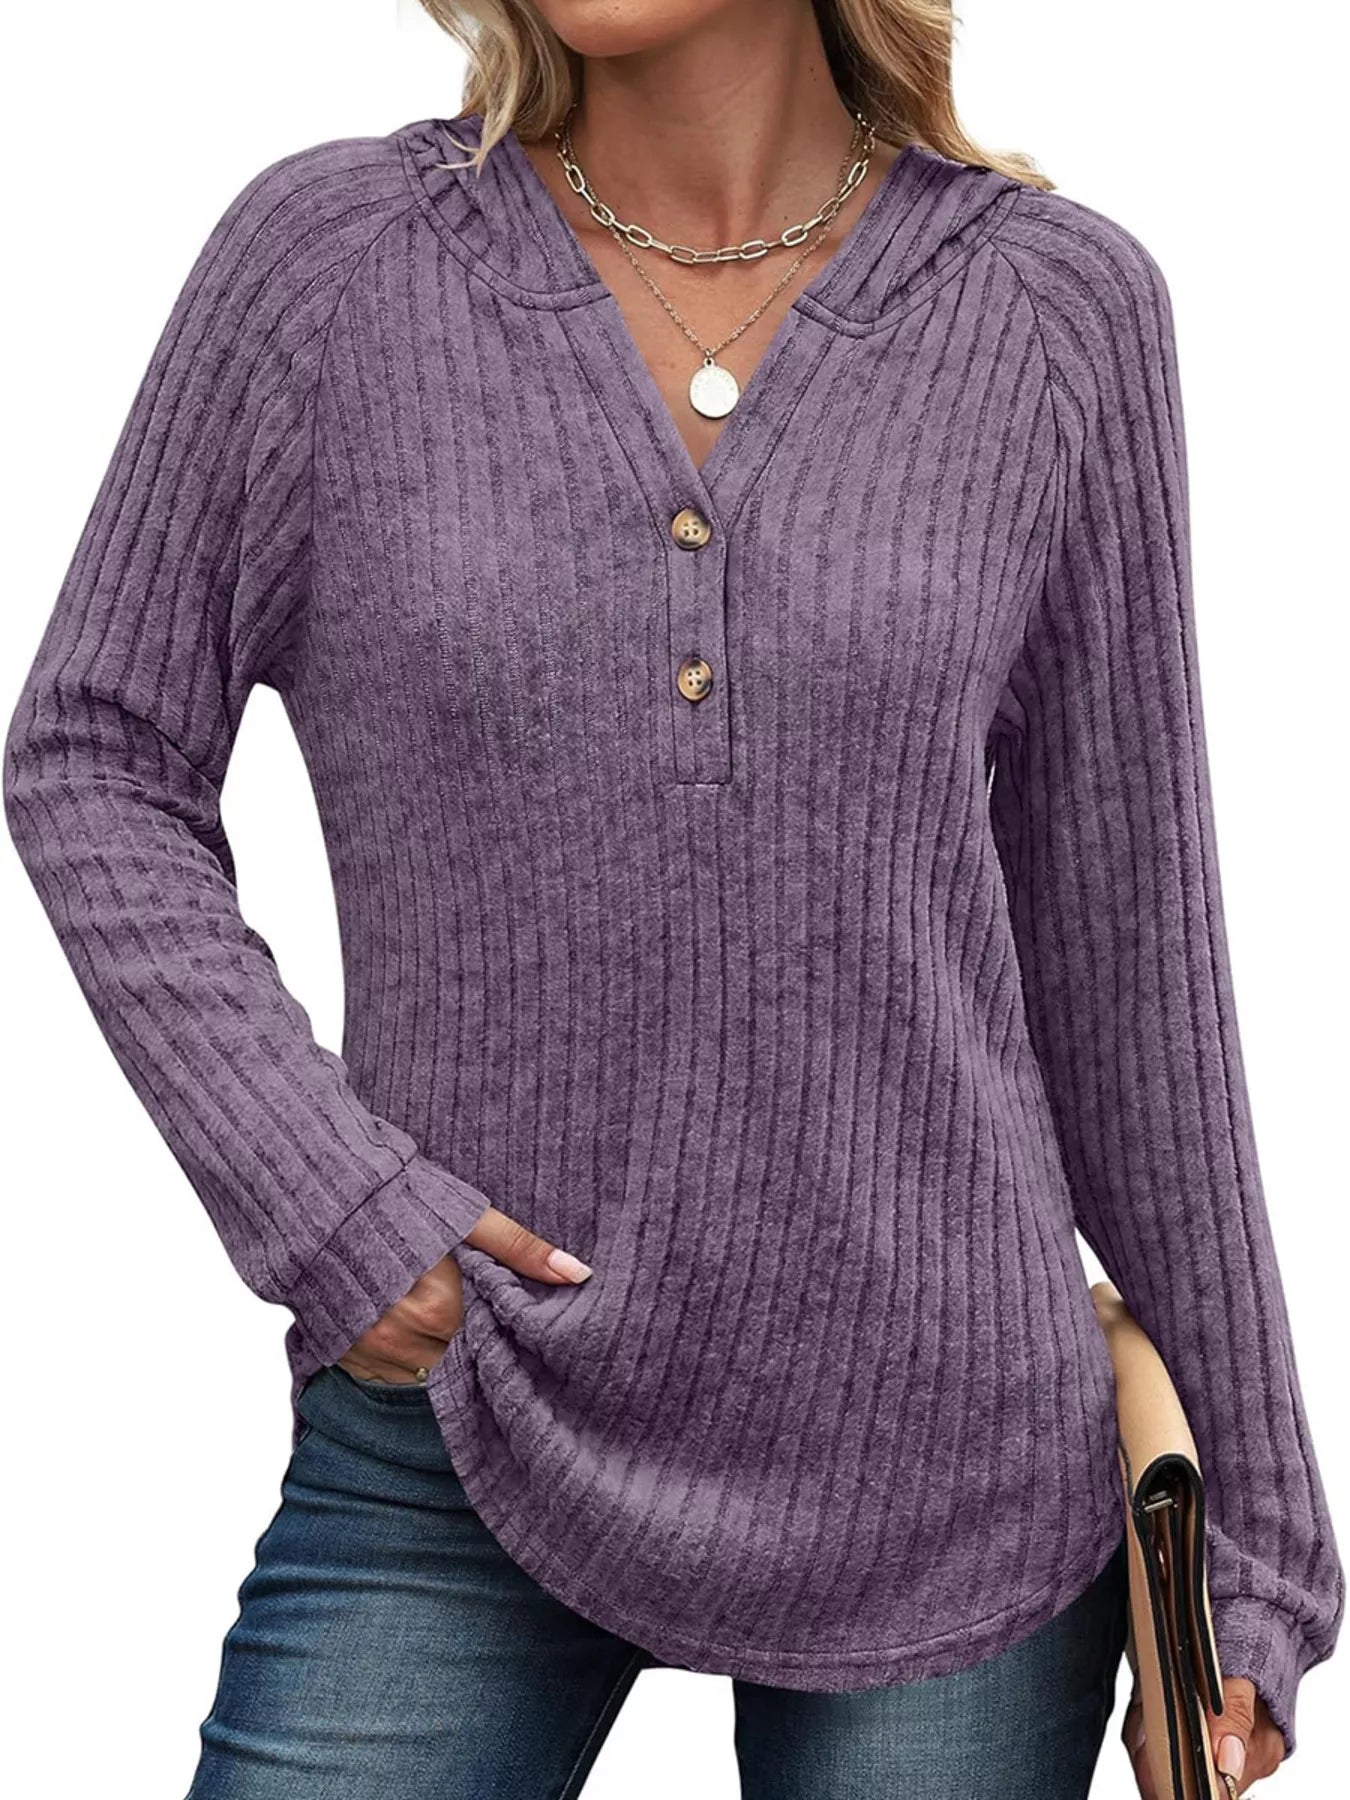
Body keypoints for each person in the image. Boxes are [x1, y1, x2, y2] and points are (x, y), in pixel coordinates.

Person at [4, 2, 1342, 1795]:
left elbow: (1128, 961)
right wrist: (327, 1199)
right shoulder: (331, 267)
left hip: (950, 1454)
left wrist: (1252, 1532)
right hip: (466, 1412)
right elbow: (95, 749)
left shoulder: (1052, 311)